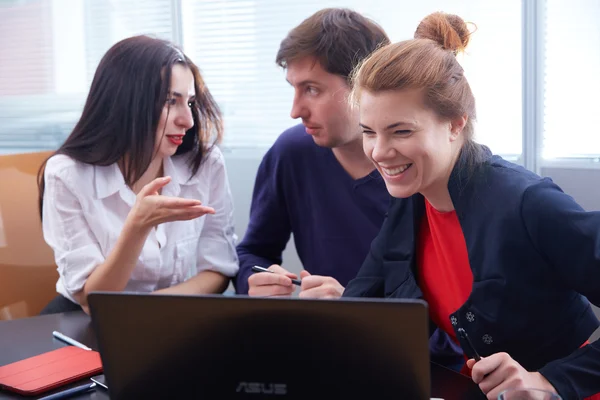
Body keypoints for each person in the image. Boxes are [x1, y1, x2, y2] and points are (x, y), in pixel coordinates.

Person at [344, 11, 600, 400]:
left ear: (455, 124)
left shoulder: (527, 203)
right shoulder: (410, 200)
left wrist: (550, 381)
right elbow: (361, 302)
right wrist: (324, 314)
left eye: (401, 131)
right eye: (368, 132)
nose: (379, 152)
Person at [234, 8, 463, 369]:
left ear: (365, 86)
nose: (295, 110)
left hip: (422, 366)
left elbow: (460, 339)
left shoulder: (428, 171)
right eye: (293, 89)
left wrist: (359, 312)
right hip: (330, 354)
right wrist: (258, 279)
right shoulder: (291, 153)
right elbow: (252, 252)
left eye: (312, 89)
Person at [39, 35, 238, 315]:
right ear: (126, 102)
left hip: (170, 312)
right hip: (88, 319)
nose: (188, 120)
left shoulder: (205, 164)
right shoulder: (66, 175)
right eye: (171, 101)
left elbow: (218, 269)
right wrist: (137, 227)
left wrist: (152, 309)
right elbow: (91, 299)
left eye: (190, 103)